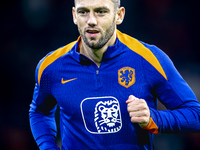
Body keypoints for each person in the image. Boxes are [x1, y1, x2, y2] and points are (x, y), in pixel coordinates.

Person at [29, 0, 200, 149]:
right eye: (83, 12)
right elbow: (39, 113)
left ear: (119, 15)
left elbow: (195, 115)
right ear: (74, 15)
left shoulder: (149, 59)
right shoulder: (50, 66)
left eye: (101, 12)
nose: (91, 21)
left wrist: (153, 118)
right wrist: (48, 147)